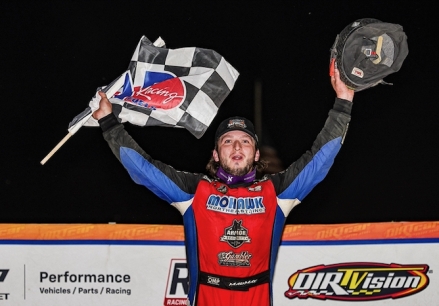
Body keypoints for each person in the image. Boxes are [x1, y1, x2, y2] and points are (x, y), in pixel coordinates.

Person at [92, 67, 354, 306]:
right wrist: (108, 122)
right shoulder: (194, 191)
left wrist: (344, 101)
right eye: (228, 141)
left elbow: (320, 158)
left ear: (257, 154)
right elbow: (143, 168)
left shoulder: (277, 192)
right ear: (216, 154)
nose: (237, 147)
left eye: (245, 141)